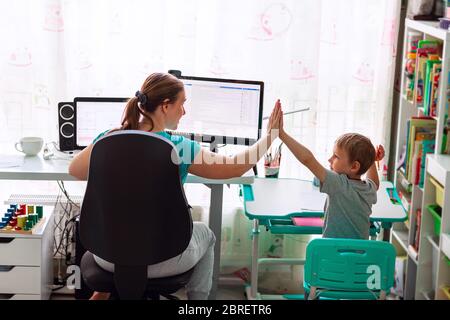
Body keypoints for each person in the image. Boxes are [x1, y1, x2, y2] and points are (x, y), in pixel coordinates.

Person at [68, 72, 282, 300]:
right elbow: (234, 166)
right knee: (206, 235)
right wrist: (270, 137)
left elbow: (75, 170)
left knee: (126, 227)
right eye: (182, 104)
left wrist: (110, 148)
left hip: (107, 256)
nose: (184, 111)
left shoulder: (108, 138)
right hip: (162, 258)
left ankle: (102, 294)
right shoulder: (179, 148)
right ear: (165, 106)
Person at [277, 111, 385, 240]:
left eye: (336, 157)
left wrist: (281, 134)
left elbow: (308, 159)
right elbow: (374, 182)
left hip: (332, 256)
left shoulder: (339, 184)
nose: (330, 159)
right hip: (359, 256)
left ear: (354, 166)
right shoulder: (369, 189)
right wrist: (372, 159)